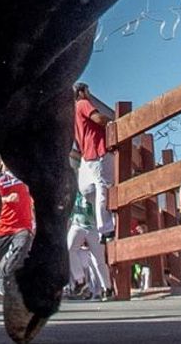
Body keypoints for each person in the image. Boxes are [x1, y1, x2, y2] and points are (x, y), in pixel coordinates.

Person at [0, 160, 35, 301]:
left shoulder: (26, 176)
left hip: (22, 225)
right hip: (1, 226)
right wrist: (6, 199)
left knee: (22, 246)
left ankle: (6, 271)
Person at [73, 82, 114, 238]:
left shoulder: (72, 112)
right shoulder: (83, 103)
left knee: (88, 191)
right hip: (98, 150)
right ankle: (106, 229)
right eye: (87, 91)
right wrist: (113, 123)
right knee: (104, 187)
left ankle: (95, 226)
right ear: (82, 92)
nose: (89, 94)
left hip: (86, 156)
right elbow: (97, 118)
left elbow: (76, 140)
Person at [65, 189, 111, 300]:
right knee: (68, 249)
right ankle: (80, 280)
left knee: (98, 260)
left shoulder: (94, 187)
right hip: (78, 224)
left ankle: (107, 288)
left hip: (94, 226)